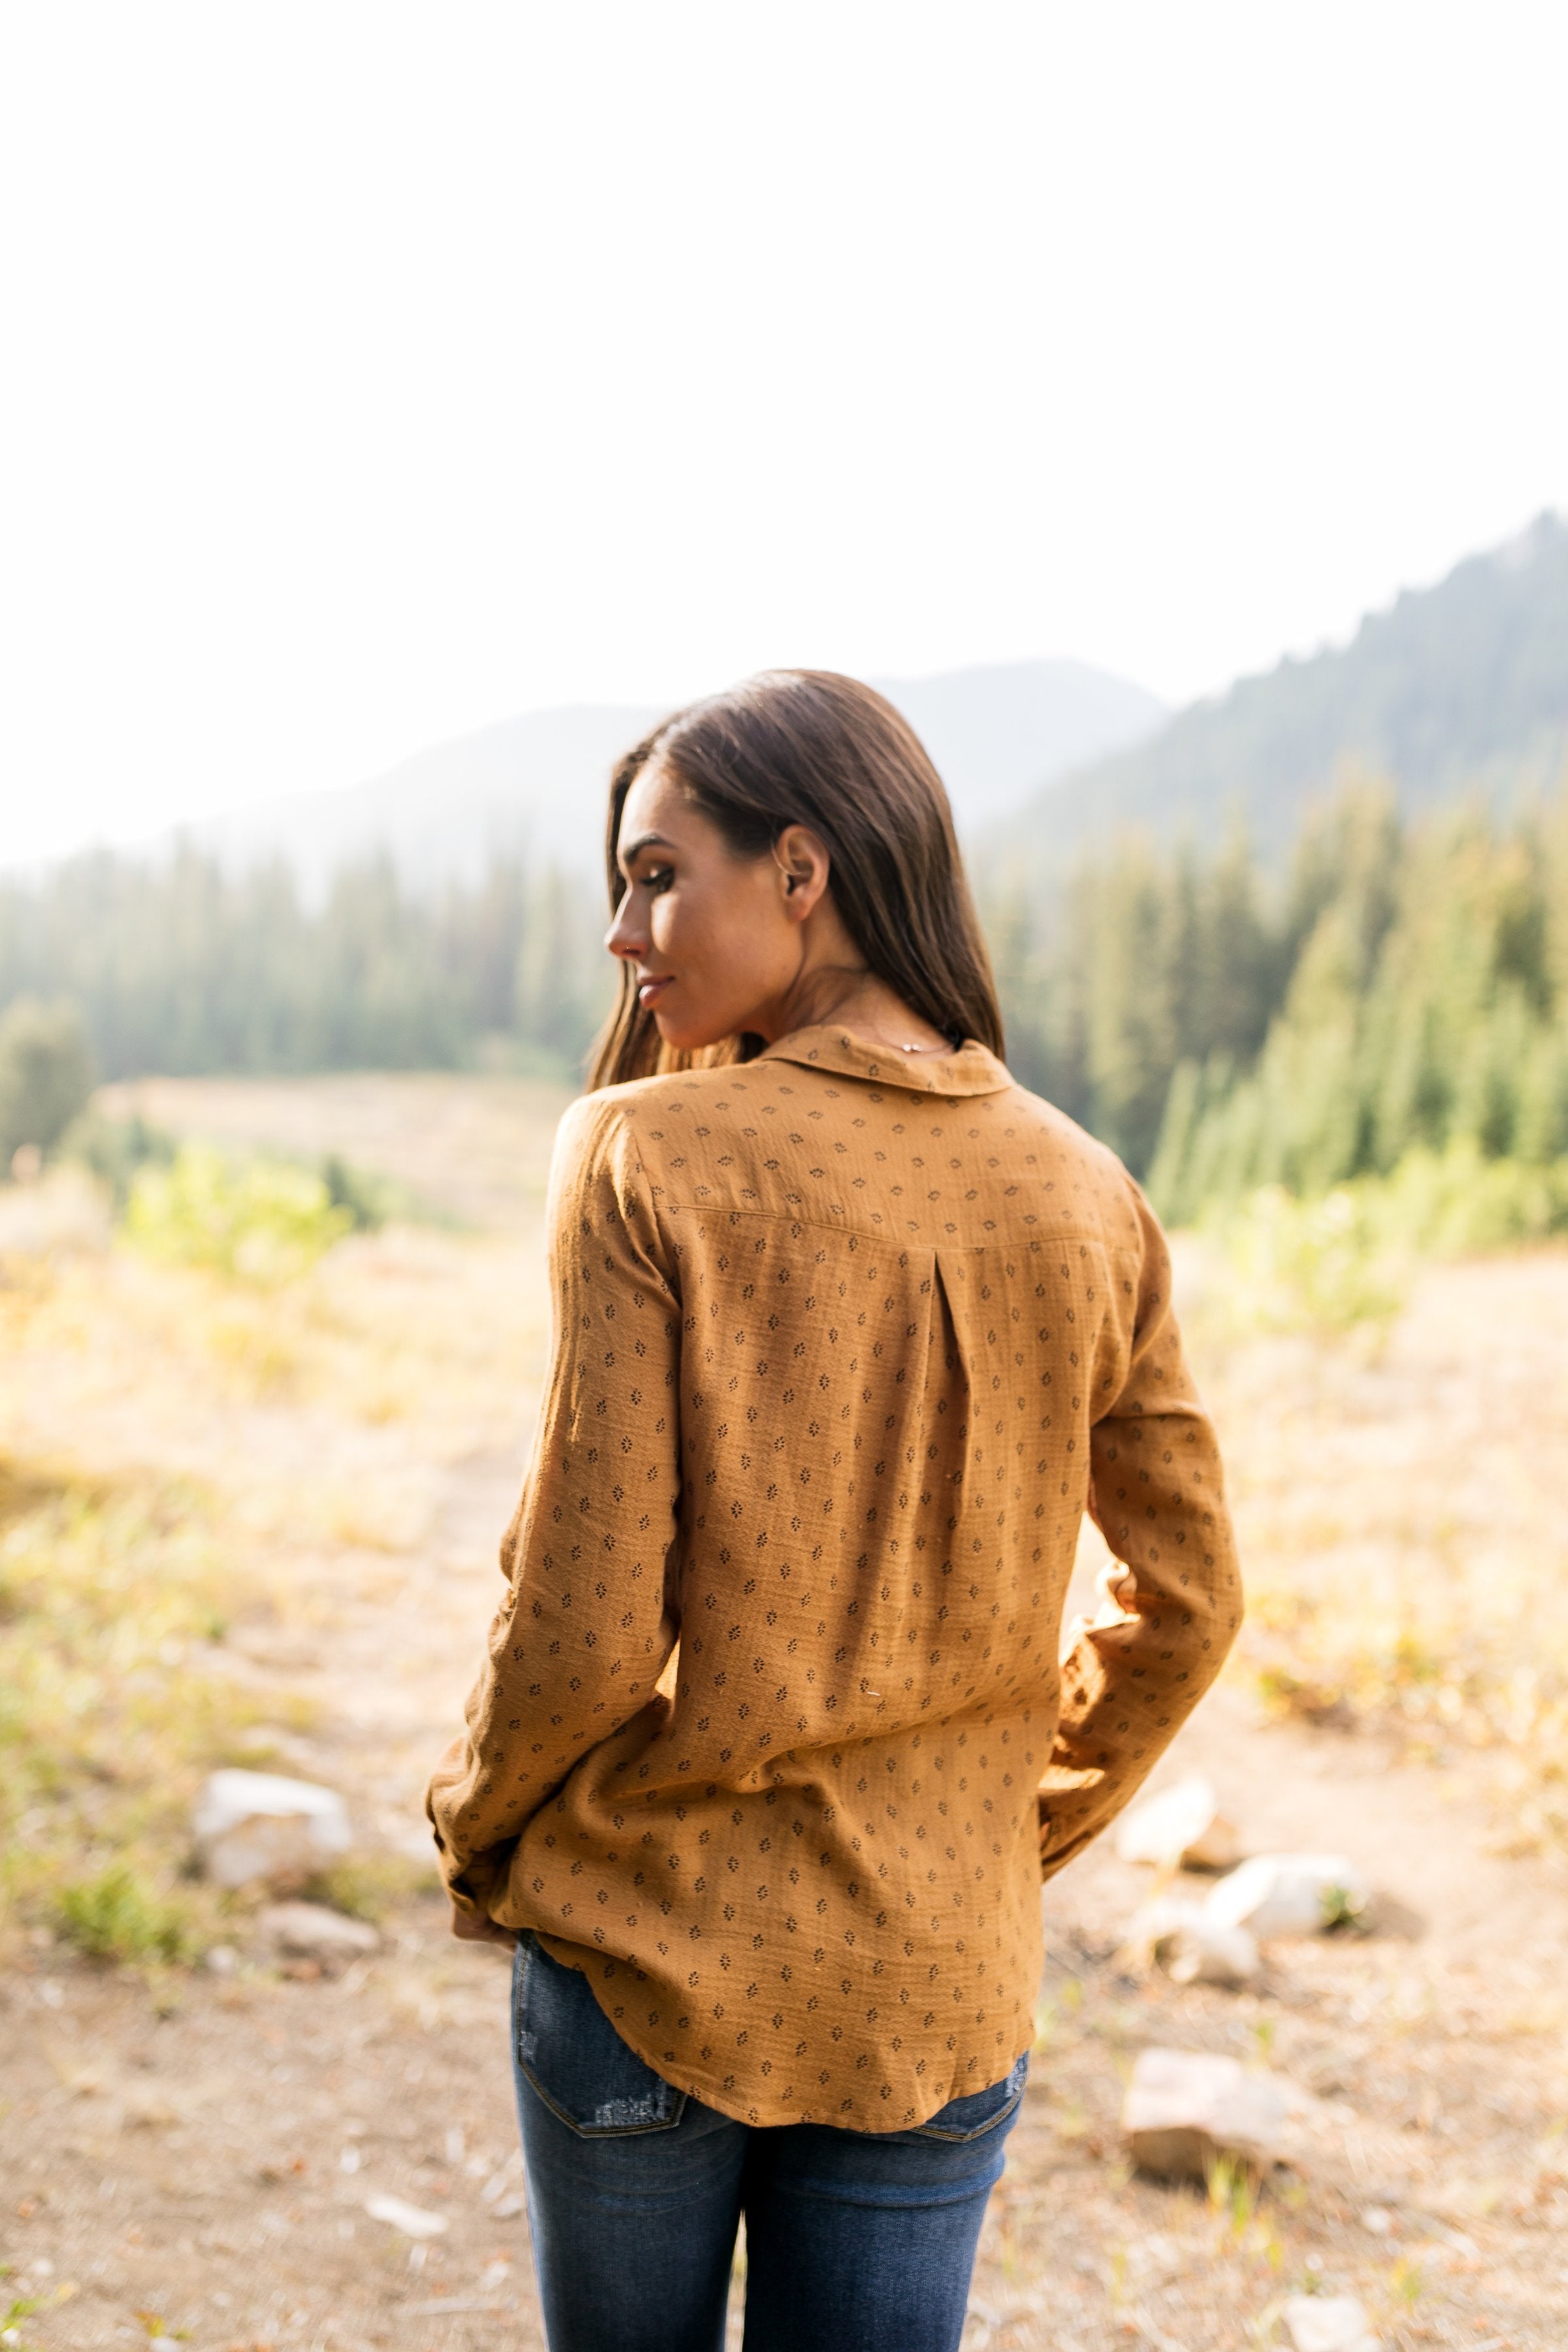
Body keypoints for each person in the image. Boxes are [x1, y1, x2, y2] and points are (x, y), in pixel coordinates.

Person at [427, 670, 1243, 2352]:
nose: (623, 931)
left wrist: (479, 1820)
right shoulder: (1094, 1192)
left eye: (661, 875)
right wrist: (1006, 1837)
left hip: (656, 1959)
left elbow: (582, 1621)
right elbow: (1191, 1602)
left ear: (802, 872)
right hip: (935, 1981)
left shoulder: (647, 1155)